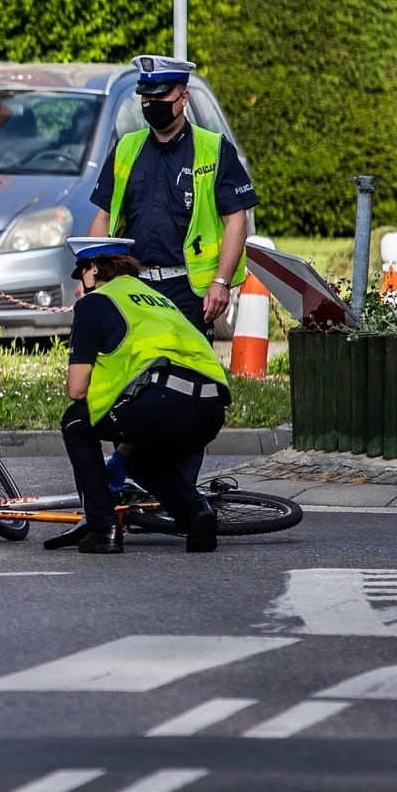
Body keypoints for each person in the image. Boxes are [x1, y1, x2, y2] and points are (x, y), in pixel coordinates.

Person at [55, 237, 228, 555]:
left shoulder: (94, 303)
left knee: (75, 423)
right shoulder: (157, 299)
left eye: (81, 272)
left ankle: (102, 528)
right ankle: (196, 512)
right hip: (211, 409)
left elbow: (76, 389)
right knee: (143, 461)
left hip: (162, 402)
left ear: (93, 268)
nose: (82, 281)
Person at [85, 55, 257, 337]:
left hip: (189, 292)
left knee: (188, 377)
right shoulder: (126, 147)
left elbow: (236, 220)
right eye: (146, 96)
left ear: (184, 97)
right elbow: (103, 215)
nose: (152, 103)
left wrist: (221, 282)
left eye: (163, 95)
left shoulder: (214, 150)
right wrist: (92, 272)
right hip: (133, 285)